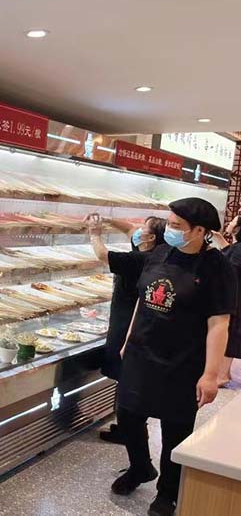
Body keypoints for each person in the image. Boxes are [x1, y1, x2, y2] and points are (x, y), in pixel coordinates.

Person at [91, 198, 235, 516]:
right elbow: (142, 299)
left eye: (176, 225)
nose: (169, 229)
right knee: (128, 415)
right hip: (141, 352)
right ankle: (140, 467)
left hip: (182, 360)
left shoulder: (217, 267)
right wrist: (128, 339)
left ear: (200, 231)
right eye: (169, 223)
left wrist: (211, 374)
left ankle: (167, 493)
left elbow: (219, 323)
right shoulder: (159, 253)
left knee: (175, 428)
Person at [88, 215, 166, 444]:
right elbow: (130, 229)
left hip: (128, 325)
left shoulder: (141, 259)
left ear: (150, 238)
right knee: (127, 378)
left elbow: (102, 255)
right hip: (132, 322)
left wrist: (94, 233)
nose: (138, 229)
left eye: (144, 228)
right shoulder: (155, 251)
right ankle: (127, 427)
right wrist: (106, 218)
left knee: (127, 380)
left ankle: (128, 431)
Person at [208, 214, 241, 387]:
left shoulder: (238, 251)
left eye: (234, 220)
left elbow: (231, 272)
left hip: (235, 301)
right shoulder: (236, 248)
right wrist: (220, 239)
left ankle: (222, 374)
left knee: (230, 332)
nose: (230, 222)